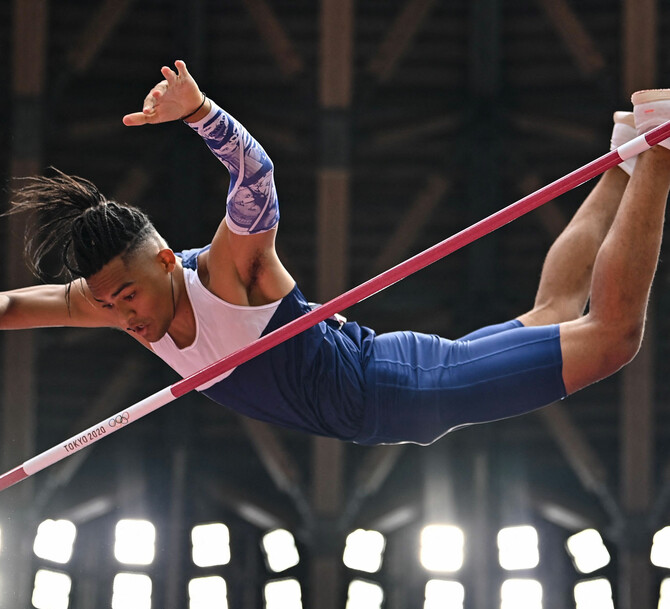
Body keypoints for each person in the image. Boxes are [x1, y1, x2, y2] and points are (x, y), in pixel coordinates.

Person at [2, 61, 670, 446]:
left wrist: (201, 111)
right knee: (554, 310)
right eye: (108, 304)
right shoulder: (117, 303)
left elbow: (255, 179)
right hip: (391, 382)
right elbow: (10, 308)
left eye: (128, 297)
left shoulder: (229, 276)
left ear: (166, 262)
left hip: (405, 389)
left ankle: (659, 145)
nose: (124, 317)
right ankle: (622, 156)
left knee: (612, 337)